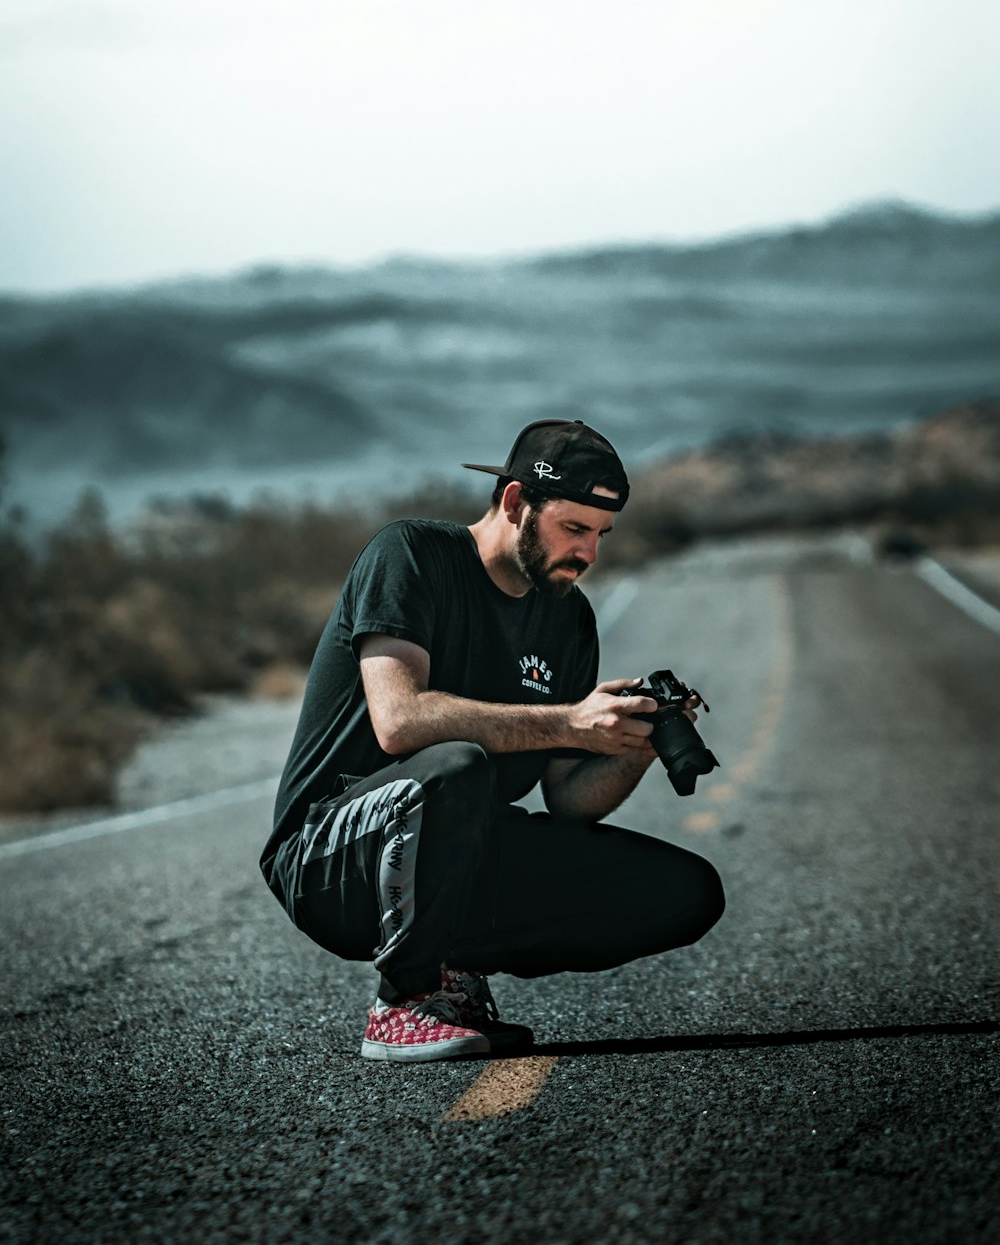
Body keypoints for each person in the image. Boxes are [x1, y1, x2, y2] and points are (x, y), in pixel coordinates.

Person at [260, 418, 725, 1062]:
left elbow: (570, 801)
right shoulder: (411, 555)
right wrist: (567, 721)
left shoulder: (567, 617)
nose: (589, 554)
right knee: (458, 767)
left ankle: (454, 966)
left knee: (686, 890)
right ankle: (406, 1000)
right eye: (574, 528)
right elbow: (398, 721)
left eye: (600, 535)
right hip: (330, 858)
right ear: (515, 504)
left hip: (462, 852)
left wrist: (632, 744)